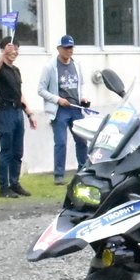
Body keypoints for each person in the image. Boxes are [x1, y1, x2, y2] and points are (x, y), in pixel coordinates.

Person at [38, 34, 89, 185]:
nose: (69, 50)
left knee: (82, 141)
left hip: (75, 108)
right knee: (61, 142)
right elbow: (41, 90)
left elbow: (81, 85)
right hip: (60, 110)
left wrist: (83, 98)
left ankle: (83, 171)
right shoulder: (50, 67)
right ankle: (59, 175)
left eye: (71, 47)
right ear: (59, 49)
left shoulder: (77, 65)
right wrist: (58, 99)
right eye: (66, 48)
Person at [0, 37, 38, 198]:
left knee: (18, 151)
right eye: (11, 48)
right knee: (6, 150)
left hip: (17, 111)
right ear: (3, 50)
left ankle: (15, 183)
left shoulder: (16, 70)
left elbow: (20, 93)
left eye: (16, 49)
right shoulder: (0, 69)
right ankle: (3, 187)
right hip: (6, 112)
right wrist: (3, 54)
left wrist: (29, 113)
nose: (14, 52)